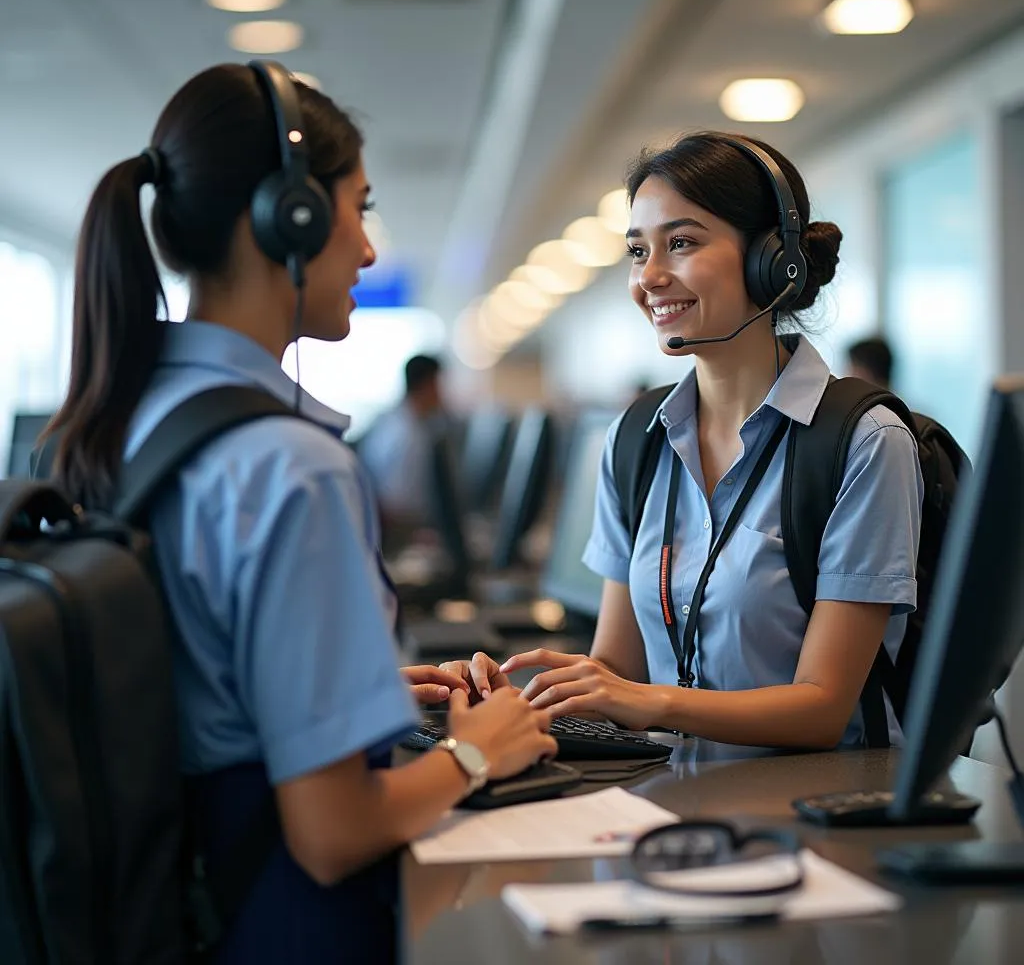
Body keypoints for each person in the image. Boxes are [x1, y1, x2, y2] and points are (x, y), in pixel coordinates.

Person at [42, 61, 555, 961]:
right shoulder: (292, 468)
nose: (366, 248)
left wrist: (343, 697)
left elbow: (171, 683)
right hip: (281, 924)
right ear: (292, 217)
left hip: (173, 903)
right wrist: (478, 753)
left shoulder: (120, 420)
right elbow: (333, 834)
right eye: (358, 208)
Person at [441, 132, 923, 751]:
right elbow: (618, 667)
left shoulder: (862, 443)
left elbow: (823, 708)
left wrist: (654, 702)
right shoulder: (636, 437)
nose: (651, 277)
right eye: (639, 252)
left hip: (813, 809)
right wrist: (518, 695)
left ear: (772, 259)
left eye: (682, 243)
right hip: (670, 797)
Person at [358, 353, 450, 549]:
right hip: (398, 533)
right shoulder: (409, 436)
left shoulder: (396, 421)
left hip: (389, 526)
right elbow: (398, 506)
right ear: (429, 385)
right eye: (440, 385)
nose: (443, 394)